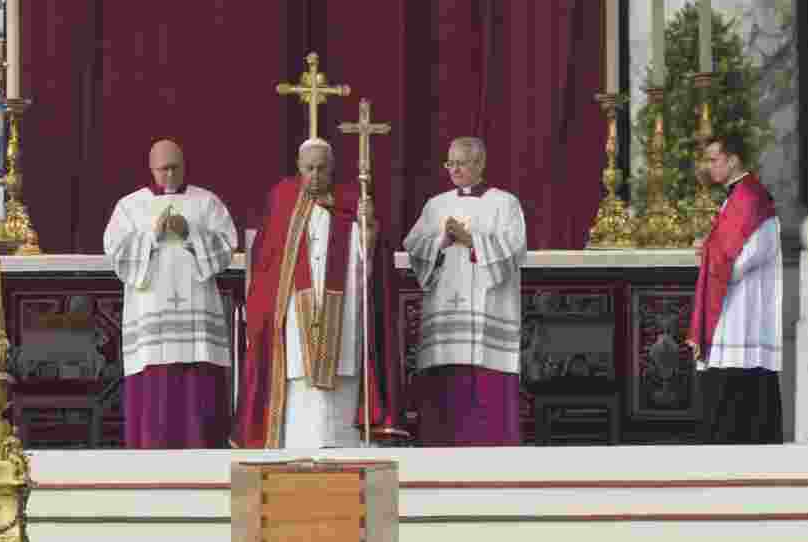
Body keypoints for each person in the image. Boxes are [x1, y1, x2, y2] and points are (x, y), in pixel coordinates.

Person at [232, 137, 403, 449]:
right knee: (300, 384)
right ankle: (296, 447)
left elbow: (370, 263)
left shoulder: (351, 199)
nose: (315, 174)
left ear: (332, 168)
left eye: (322, 168)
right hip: (297, 314)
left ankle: (348, 446)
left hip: (344, 308)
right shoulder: (283, 199)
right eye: (309, 168)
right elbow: (267, 259)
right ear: (299, 168)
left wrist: (367, 230)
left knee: (342, 379)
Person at [103, 139, 238, 448]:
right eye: (163, 169)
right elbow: (117, 254)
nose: (169, 175)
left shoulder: (206, 202)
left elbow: (226, 248)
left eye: (175, 167)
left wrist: (190, 232)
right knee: (156, 395)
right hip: (151, 315)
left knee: (198, 390)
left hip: (197, 316)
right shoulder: (130, 205)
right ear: (151, 169)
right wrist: (153, 234)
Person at [403, 136, 527, 446]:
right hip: (446, 304)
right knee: (445, 378)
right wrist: (442, 241)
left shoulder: (505, 203)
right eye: (450, 163)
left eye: (461, 163)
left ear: (480, 164)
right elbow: (414, 248)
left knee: (489, 379)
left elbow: (514, 250)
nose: (454, 170)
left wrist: (472, 240)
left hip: (490, 310)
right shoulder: (436, 205)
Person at [686, 134, 782, 444]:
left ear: (733, 160)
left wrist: (712, 255)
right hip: (732, 302)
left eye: (714, 159)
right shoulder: (736, 196)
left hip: (745, 305)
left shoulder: (750, 198)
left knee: (740, 376)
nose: (709, 167)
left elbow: (755, 249)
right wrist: (711, 249)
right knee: (727, 376)